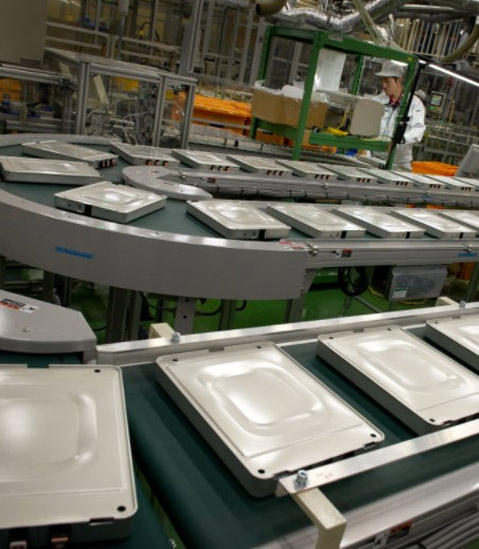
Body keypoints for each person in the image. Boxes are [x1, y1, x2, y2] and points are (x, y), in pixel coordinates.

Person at [374, 61, 426, 171]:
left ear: (399, 80)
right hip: (376, 158)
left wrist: (401, 139)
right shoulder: (376, 101)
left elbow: (418, 129)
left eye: (387, 81)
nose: (384, 85)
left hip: (401, 162)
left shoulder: (414, 103)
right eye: (382, 80)